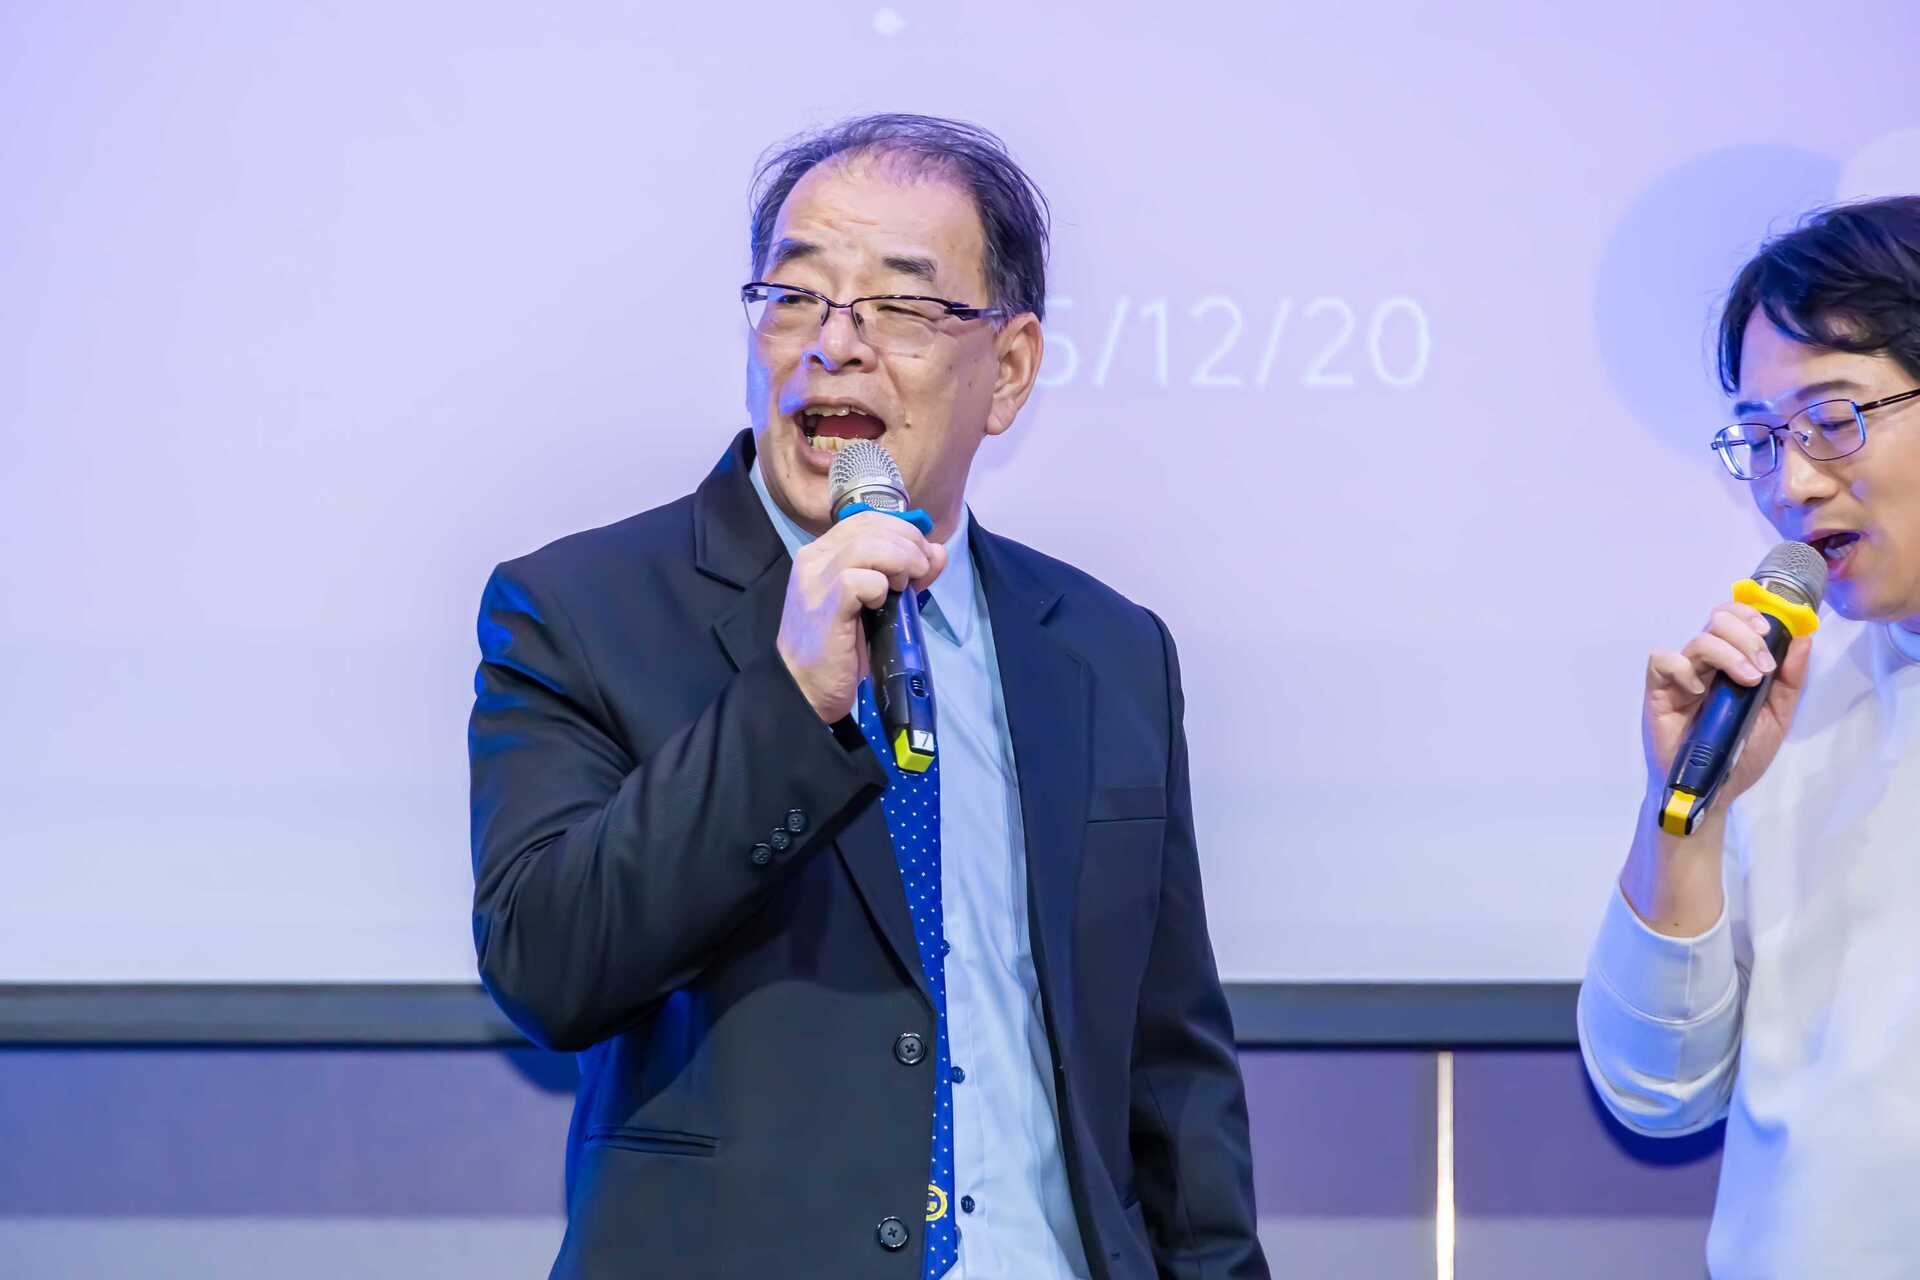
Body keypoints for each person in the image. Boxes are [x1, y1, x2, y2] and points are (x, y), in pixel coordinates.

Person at [468, 113, 1267, 1280]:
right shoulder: (580, 610)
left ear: (1009, 368)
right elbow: (548, 965)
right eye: (794, 296)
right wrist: (788, 698)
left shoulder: (1108, 651)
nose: (834, 345)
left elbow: (1174, 1080)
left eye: (899, 305)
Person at [1578, 196, 1920, 1277]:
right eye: (1765, 439)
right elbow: (1654, 1089)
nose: (1792, 482)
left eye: (1835, 418)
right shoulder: (1785, 710)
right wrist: (1686, 811)